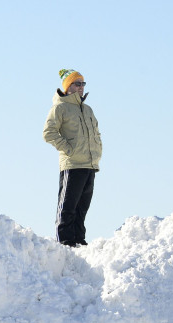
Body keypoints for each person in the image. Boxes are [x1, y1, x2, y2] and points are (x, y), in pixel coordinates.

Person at [43, 68, 103, 247]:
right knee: (68, 206)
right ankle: (65, 242)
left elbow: (96, 133)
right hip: (73, 163)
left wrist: (98, 149)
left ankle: (79, 240)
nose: (81, 87)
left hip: (90, 163)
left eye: (83, 84)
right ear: (68, 86)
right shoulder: (60, 108)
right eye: (77, 83)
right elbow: (48, 133)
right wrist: (68, 149)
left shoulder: (87, 110)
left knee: (82, 207)